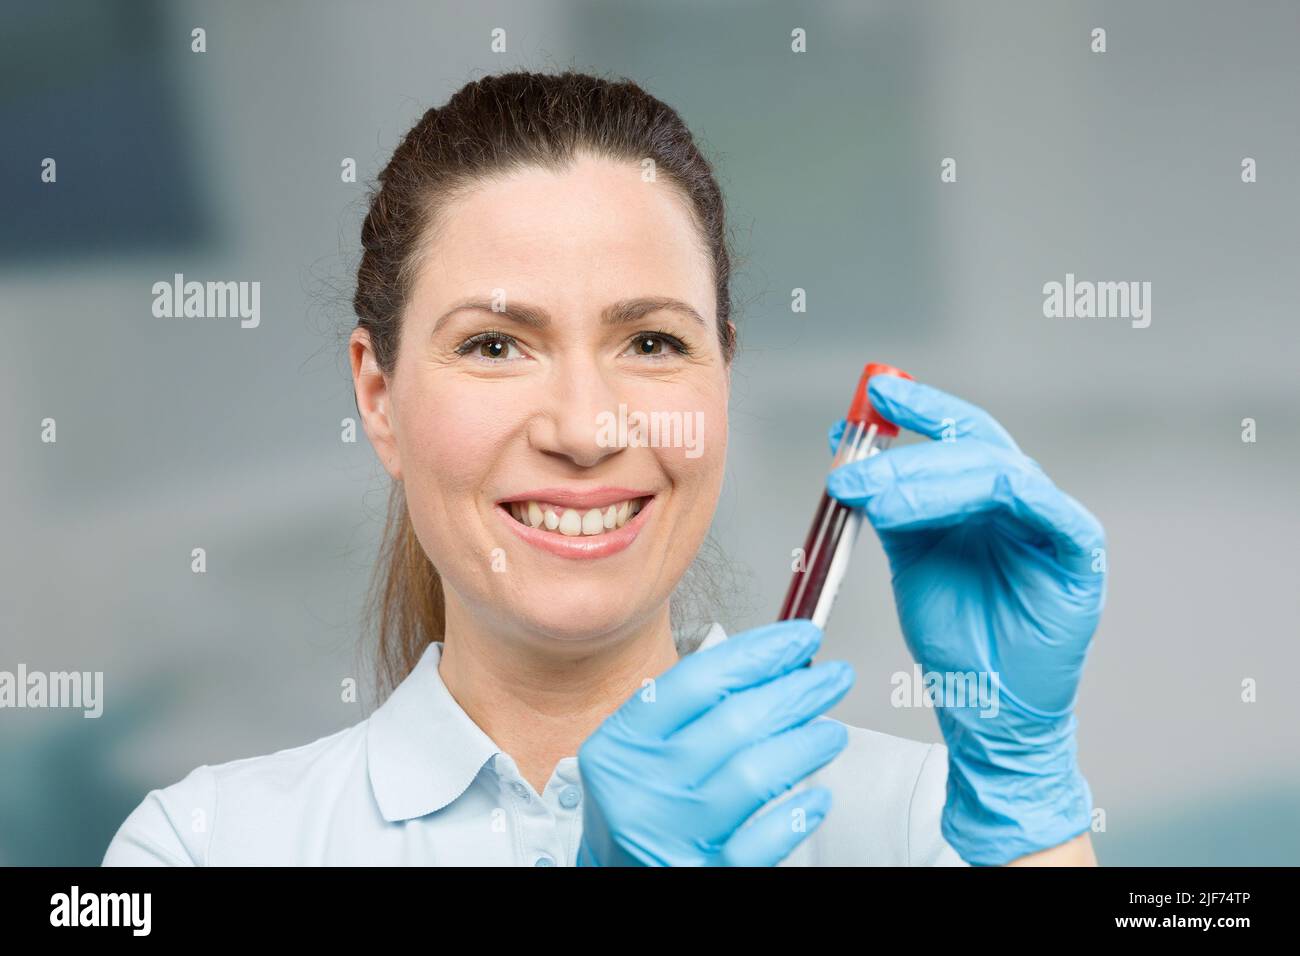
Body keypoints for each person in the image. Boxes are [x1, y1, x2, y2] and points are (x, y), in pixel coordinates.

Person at [103, 70, 1104, 867]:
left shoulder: (927, 828)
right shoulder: (200, 846)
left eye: (653, 343)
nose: (586, 428)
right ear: (378, 396)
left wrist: (1027, 812)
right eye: (496, 345)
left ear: (722, 377)